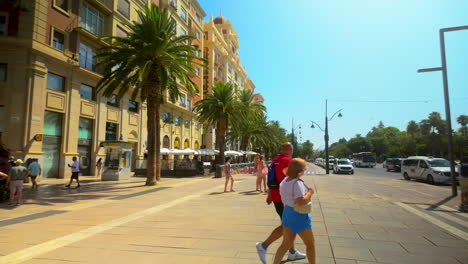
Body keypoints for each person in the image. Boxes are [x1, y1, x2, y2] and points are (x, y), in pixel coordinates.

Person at [256, 142, 306, 264]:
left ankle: (292, 252)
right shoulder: (287, 161)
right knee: (287, 225)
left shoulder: (275, 160)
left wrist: (270, 194)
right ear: (289, 149)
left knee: (289, 225)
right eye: (292, 148)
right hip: (285, 199)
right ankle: (263, 245)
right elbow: (292, 179)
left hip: (276, 196)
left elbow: (272, 179)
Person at [273, 158, 315, 264]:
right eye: (304, 169)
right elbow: (300, 201)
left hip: (287, 213)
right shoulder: (297, 183)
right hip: (299, 215)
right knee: (310, 244)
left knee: (285, 244)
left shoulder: (284, 181)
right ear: (300, 171)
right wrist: (309, 192)